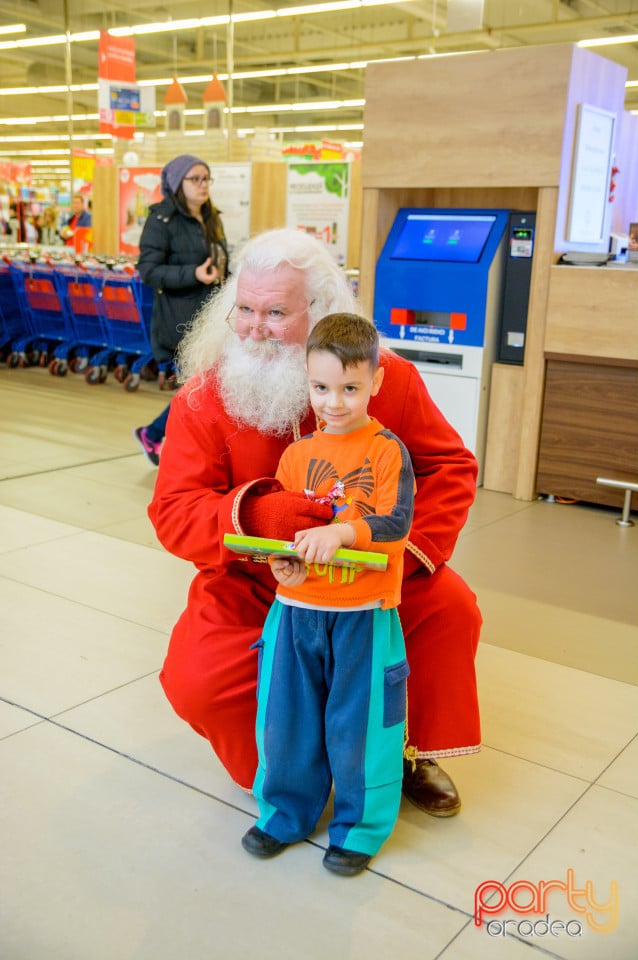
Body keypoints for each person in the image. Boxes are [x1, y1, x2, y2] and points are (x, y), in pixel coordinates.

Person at [148, 227, 482, 818]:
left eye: (276, 312)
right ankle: (293, 765)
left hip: (374, 574)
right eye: (244, 309)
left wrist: (405, 555)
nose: (253, 327)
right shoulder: (204, 398)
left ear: (321, 311)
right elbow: (173, 510)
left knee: (450, 608)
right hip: (259, 583)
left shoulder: (389, 379)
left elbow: (448, 466)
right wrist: (256, 513)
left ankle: (403, 751)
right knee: (198, 677)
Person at [241, 313, 415, 876]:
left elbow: (396, 523)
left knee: (361, 726)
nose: (334, 403)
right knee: (285, 718)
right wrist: (280, 561)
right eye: (320, 388)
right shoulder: (295, 457)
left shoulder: (388, 451)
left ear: (375, 384)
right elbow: (290, 534)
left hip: (363, 616)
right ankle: (285, 813)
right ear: (307, 382)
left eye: (349, 389)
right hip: (296, 614)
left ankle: (360, 828)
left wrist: (341, 532)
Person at [134, 154, 228, 467]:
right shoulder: (162, 220)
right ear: (177, 183)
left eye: (206, 178)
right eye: (195, 179)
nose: (203, 185)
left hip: (212, 316)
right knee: (201, 385)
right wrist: (194, 274)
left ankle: (164, 435)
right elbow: (148, 270)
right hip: (179, 320)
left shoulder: (211, 216)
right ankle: (155, 432)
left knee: (204, 385)